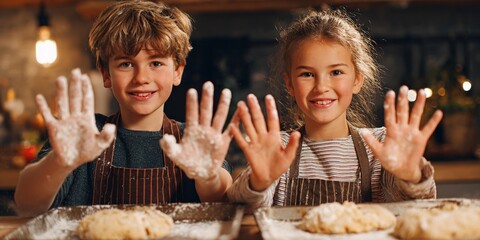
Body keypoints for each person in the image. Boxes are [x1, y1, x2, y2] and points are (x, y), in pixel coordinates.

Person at [14, 0, 234, 217]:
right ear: (106, 74)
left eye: (156, 63)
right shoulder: (83, 136)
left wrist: (209, 177)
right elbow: (27, 204)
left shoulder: (192, 139)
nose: (141, 78)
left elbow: (223, 200)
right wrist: (59, 163)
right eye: (126, 64)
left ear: (177, 71)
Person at [227, 9, 443, 209]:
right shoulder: (278, 148)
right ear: (290, 84)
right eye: (307, 74)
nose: (321, 87)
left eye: (336, 72)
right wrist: (258, 182)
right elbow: (242, 205)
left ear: (357, 79)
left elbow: (418, 204)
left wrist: (412, 176)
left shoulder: (379, 147)